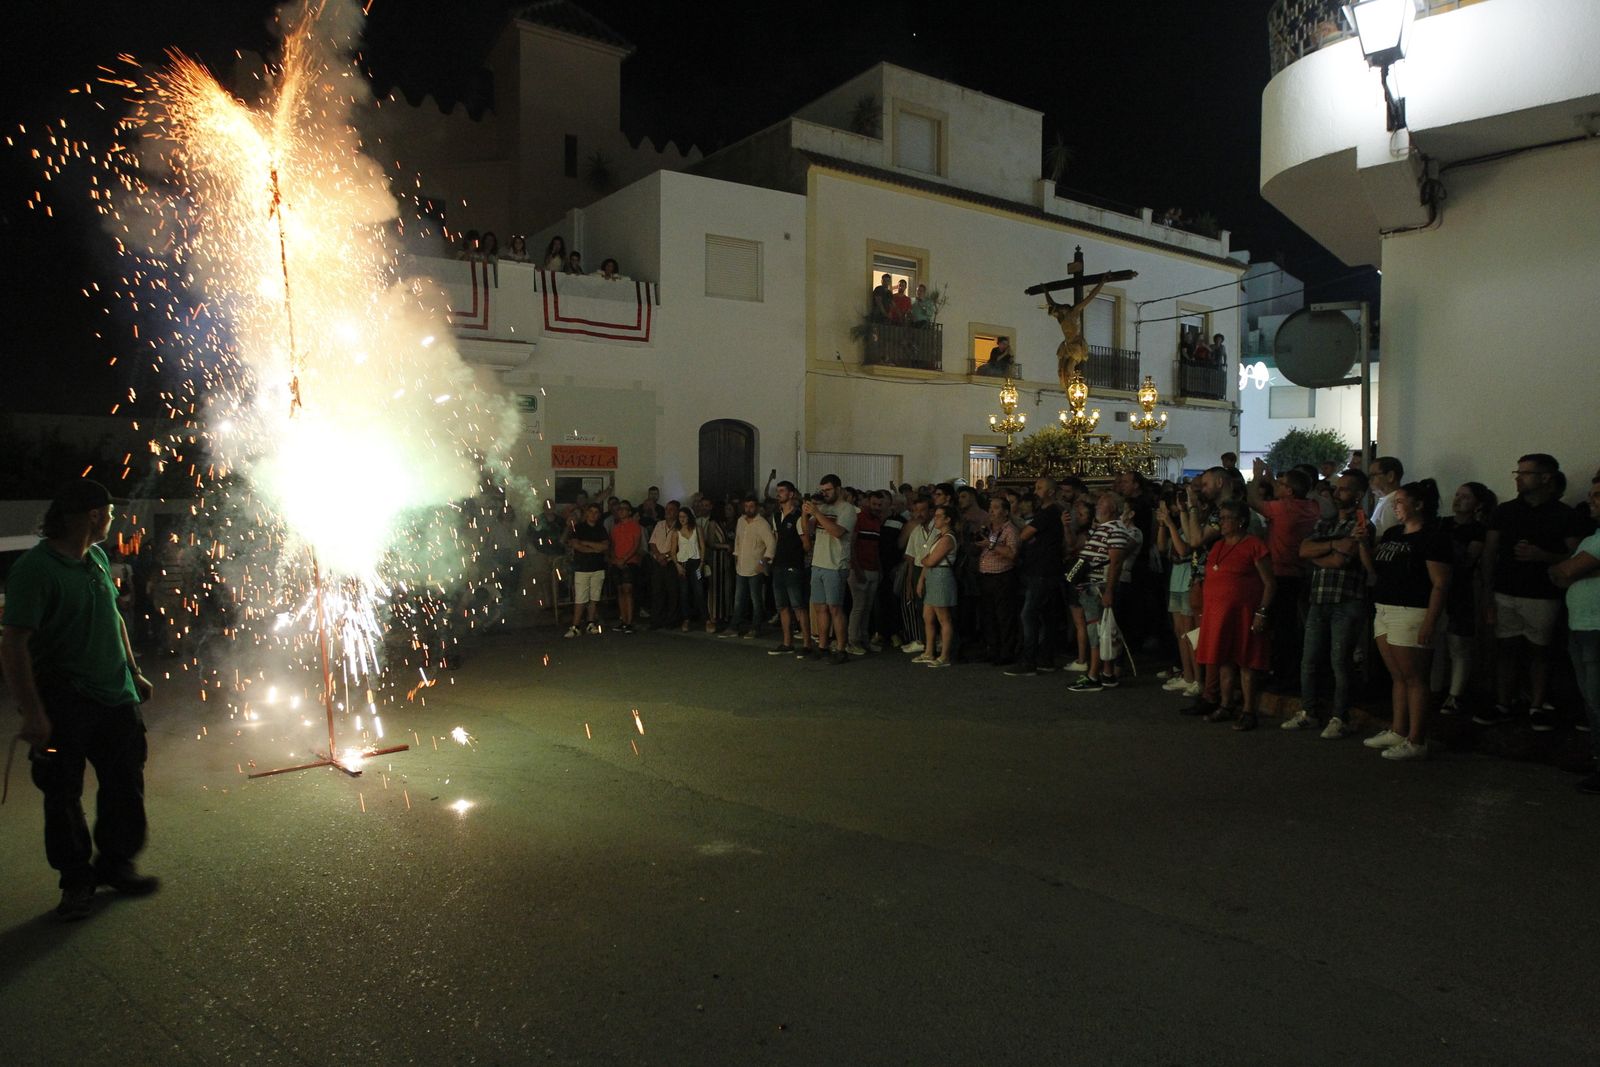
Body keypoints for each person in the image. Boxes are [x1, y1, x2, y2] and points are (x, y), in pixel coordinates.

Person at [1, 479, 157, 920]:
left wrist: (133, 669)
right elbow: (13, 644)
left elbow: (112, 616)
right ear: (92, 515)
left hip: (116, 698)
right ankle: (76, 881)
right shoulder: (36, 570)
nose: (112, 517)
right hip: (65, 700)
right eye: (108, 511)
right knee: (62, 793)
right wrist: (33, 713)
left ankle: (115, 864)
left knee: (125, 784)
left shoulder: (97, 557)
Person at [1477, 454, 1586, 730]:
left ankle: (1536, 705)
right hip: (1506, 589)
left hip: (1543, 593)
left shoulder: (1565, 515)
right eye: (1518, 472)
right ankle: (1504, 702)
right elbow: (1490, 551)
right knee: (1506, 648)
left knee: (1540, 650)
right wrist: (1487, 590)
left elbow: (1575, 555)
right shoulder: (1505, 511)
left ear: (1546, 477)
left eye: (1525, 473)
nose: (1518, 477)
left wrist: (1543, 555)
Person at [1357, 480, 1452, 761]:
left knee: (1415, 678)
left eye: (1399, 502)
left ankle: (1417, 738)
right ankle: (1399, 729)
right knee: (1397, 675)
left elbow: (1440, 583)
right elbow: (1374, 568)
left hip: (1412, 610)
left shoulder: (1432, 538)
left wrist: (1430, 622)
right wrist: (1363, 544)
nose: (1395, 507)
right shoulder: (1393, 533)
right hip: (1385, 607)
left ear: (1418, 505)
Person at [1282, 469, 1370, 737]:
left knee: (1339, 662)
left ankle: (1339, 717)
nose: (1337, 493)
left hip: (1346, 600)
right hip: (1319, 599)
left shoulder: (1362, 525)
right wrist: (1333, 545)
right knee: (1309, 660)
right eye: (1337, 488)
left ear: (1358, 495)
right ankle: (1309, 712)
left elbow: (1342, 559)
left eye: (1344, 489)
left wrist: (1323, 552)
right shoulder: (1326, 523)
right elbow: (1303, 550)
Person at [1192, 499, 1275, 730]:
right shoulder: (1218, 546)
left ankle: (1249, 710)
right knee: (1224, 661)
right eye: (1221, 518)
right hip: (1218, 615)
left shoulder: (1254, 545)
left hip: (1244, 614)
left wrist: (1262, 612)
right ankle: (1226, 704)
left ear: (1240, 522)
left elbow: (1269, 582)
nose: (1222, 523)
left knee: (1246, 662)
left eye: (1227, 518)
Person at [1250, 462, 1320, 693]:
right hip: (1300, 571)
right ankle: (1288, 673)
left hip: (1279, 572)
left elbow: (1252, 499)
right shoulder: (1310, 507)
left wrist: (1258, 477)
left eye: (1281, 484)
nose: (1276, 486)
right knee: (1290, 625)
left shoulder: (1283, 508)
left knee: (1280, 628)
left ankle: (1281, 675)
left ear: (1289, 491)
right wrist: (1272, 480)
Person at [1550, 477, 1600, 793]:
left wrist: (1571, 569)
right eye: (1592, 493)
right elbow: (1562, 574)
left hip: (1596, 629)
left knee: (1597, 699)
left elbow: (1564, 572)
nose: (1591, 500)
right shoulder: (1592, 537)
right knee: (1591, 700)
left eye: (1598, 495)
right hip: (1582, 625)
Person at [1066, 491, 1137, 693]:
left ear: (1113, 509)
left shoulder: (1115, 530)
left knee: (1096, 632)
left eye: (1102, 505)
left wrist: (1109, 591)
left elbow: (1115, 562)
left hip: (1100, 587)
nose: (1097, 507)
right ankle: (1107, 673)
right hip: (1094, 586)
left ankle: (1093, 675)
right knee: (1103, 631)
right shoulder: (1107, 529)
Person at [1433, 482, 1493, 715]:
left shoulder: (1478, 530)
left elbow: (1468, 560)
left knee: (1458, 643)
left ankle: (1455, 694)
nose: (1458, 499)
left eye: (1465, 497)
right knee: (1436, 641)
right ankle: (1437, 688)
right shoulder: (1442, 523)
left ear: (1477, 503)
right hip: (1440, 586)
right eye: (1457, 494)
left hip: (1461, 589)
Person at [1006, 478, 1065, 676]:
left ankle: (1029, 661)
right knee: (1046, 615)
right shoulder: (1048, 513)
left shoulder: (1048, 513)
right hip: (1045, 568)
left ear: (1050, 492)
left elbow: (1024, 535)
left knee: (1028, 614)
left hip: (1043, 570)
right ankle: (1045, 658)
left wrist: (1019, 528)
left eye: (1040, 488)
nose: (1036, 491)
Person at [801, 475, 858, 665]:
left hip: (835, 565)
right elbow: (806, 530)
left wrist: (817, 513)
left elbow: (838, 532)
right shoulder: (823, 508)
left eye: (828, 490)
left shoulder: (847, 510)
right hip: (818, 562)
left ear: (838, 489)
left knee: (835, 608)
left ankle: (842, 648)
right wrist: (805, 512)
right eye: (822, 490)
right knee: (820, 608)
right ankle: (823, 646)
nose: (824, 493)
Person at [767, 481, 810, 656]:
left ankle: (807, 644)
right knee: (782, 606)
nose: (779, 494)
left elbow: (806, 544)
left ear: (791, 494)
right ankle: (787, 642)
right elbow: (777, 539)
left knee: (798, 605)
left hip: (794, 566)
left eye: (782, 491)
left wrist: (796, 555)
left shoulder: (799, 517)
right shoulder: (776, 516)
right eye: (778, 491)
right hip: (779, 566)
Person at [977, 496, 1020, 665]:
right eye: (990, 507)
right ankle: (992, 649)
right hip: (986, 576)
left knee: (1004, 616)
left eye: (995, 507)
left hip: (1003, 577)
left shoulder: (1010, 530)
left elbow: (1012, 554)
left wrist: (991, 545)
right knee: (988, 615)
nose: (991, 511)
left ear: (1006, 511)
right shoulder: (988, 529)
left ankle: (1006, 652)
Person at [914, 504, 960, 666]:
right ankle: (929, 651)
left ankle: (945, 655)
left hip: (941, 576)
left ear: (948, 519)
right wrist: (921, 580)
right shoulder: (939, 537)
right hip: (933, 576)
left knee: (943, 617)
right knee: (928, 616)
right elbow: (928, 560)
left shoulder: (948, 538)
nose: (936, 519)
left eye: (939, 516)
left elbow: (931, 560)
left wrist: (926, 560)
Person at [725, 495, 774, 639]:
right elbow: (738, 541)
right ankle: (735, 626)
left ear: (757, 507)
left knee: (756, 599)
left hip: (755, 568)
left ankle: (756, 627)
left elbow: (771, 543)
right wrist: (736, 557)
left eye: (751, 506)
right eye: (746, 507)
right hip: (741, 566)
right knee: (739, 598)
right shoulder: (741, 521)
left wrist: (762, 562)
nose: (748, 509)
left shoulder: (762, 524)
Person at [845, 491, 884, 655]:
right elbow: (852, 545)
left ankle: (864, 640)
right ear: (867, 502)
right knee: (859, 607)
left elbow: (875, 548)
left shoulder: (877, 521)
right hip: (860, 569)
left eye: (879, 505)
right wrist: (857, 568)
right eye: (874, 504)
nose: (876, 507)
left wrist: (879, 569)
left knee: (866, 608)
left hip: (873, 569)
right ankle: (853, 641)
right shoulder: (859, 519)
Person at [564, 503, 608, 637]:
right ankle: (575, 626)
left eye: (596, 512)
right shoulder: (578, 528)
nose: (594, 514)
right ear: (587, 513)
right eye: (591, 511)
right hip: (582, 567)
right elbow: (576, 545)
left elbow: (604, 546)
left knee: (594, 597)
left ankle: (590, 622)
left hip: (598, 567)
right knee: (580, 598)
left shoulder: (601, 529)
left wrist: (586, 543)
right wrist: (595, 549)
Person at [606, 501, 643, 634]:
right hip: (617, 562)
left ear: (629, 511)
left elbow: (636, 545)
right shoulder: (615, 528)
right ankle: (623, 619)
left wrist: (624, 559)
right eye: (619, 509)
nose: (621, 511)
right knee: (620, 590)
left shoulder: (635, 526)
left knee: (628, 589)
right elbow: (612, 545)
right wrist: (615, 559)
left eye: (624, 509)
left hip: (630, 561)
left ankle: (629, 621)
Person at [666, 507, 704, 632]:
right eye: (680, 517)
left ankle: (706, 618)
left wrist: (701, 563)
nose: (682, 519)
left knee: (699, 591)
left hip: (696, 562)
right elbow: (672, 551)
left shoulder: (697, 529)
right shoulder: (676, 532)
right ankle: (686, 619)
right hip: (683, 564)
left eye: (684, 517)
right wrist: (677, 565)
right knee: (684, 592)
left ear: (689, 517)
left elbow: (702, 546)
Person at [646, 500, 681, 629]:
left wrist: (666, 556)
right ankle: (656, 620)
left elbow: (679, 546)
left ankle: (671, 621)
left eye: (671, 509)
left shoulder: (680, 526)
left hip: (671, 562)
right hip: (657, 561)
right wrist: (658, 556)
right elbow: (652, 542)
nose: (668, 511)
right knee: (657, 591)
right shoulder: (659, 524)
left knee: (672, 592)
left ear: (677, 512)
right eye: (667, 509)